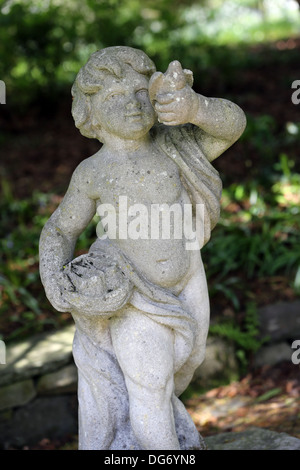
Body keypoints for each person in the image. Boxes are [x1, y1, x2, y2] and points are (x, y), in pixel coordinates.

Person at [39, 46, 246, 450]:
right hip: (131, 292)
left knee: (177, 373)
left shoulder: (176, 146)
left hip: (188, 283)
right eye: (115, 98)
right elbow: (60, 229)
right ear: (91, 114)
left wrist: (195, 108)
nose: (133, 105)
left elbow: (232, 125)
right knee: (150, 386)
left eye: (140, 92)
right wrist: (55, 279)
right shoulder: (94, 172)